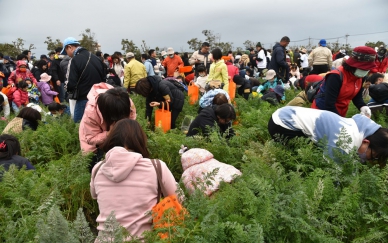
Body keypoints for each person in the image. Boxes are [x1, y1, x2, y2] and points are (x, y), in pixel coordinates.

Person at [90, 118, 177, 239]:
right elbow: (177, 197)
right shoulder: (156, 167)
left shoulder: (98, 169)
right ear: (140, 140)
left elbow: (95, 196)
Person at [268, 106, 388, 166]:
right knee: (304, 159)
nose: (369, 160)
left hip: (286, 111)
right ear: (366, 142)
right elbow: (332, 171)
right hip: (282, 124)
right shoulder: (344, 142)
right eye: (373, 157)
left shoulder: (363, 125)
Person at [79, 83, 136, 168]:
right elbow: (91, 139)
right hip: (95, 138)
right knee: (94, 163)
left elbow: (131, 119)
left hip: (116, 136)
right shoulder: (91, 112)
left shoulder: (125, 102)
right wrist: (109, 133)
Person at [311, 46, 377, 117]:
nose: (365, 71)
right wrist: (341, 121)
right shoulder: (335, 76)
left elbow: (357, 97)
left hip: (340, 112)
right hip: (322, 113)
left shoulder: (360, 77)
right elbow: (329, 104)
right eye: (363, 68)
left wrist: (363, 106)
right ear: (354, 65)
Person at [60, 37, 106, 123]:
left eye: (66, 51)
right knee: (98, 124)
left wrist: (68, 91)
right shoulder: (96, 58)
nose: (67, 54)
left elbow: (71, 84)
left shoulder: (74, 60)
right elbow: (104, 78)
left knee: (80, 124)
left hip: (84, 98)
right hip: (99, 97)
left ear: (70, 47)